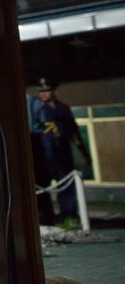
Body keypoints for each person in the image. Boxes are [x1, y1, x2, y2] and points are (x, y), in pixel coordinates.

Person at [36, 77, 91, 225]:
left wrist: (85, 154)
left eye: (46, 90)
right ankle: (46, 218)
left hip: (62, 153)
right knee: (42, 187)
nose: (43, 94)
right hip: (44, 155)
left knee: (66, 185)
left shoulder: (63, 109)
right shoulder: (37, 108)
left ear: (53, 91)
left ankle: (69, 215)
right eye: (41, 91)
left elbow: (74, 133)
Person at [27, 92, 56, 225]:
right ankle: (45, 216)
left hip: (34, 142)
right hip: (35, 142)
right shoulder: (35, 102)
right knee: (40, 182)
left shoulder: (33, 102)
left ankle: (43, 217)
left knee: (39, 181)